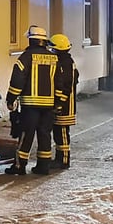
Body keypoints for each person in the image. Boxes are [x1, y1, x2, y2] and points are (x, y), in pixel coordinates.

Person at [5, 26, 65, 175]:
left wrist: (11, 99)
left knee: (26, 134)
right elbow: (59, 82)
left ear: (31, 40)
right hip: (49, 105)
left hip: (30, 105)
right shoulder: (54, 58)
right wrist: (58, 102)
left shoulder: (26, 57)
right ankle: (43, 166)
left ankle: (20, 166)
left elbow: (18, 80)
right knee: (45, 134)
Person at [50, 33, 78, 169]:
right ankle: (59, 159)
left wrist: (60, 103)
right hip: (64, 104)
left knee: (62, 134)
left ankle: (64, 161)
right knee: (58, 133)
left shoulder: (64, 64)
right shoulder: (67, 62)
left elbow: (66, 86)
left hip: (65, 106)